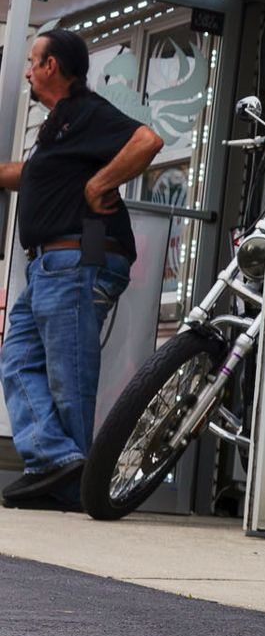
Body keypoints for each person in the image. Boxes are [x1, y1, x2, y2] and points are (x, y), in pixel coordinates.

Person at [0, 28, 162, 511]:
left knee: (69, 378)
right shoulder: (59, 126)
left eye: (33, 61)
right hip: (49, 265)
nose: (27, 71)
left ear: (53, 67)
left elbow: (148, 140)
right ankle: (55, 462)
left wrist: (99, 185)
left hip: (76, 259)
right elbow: (30, 176)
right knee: (16, 361)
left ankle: (72, 487)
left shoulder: (87, 111)